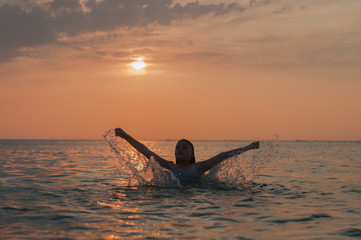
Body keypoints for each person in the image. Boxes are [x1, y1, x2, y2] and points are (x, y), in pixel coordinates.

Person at [115, 128, 260, 185]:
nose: (180, 149)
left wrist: (248, 148)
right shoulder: (170, 166)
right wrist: (124, 136)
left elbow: (223, 156)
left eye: (184, 147)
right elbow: (146, 152)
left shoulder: (199, 167)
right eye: (177, 147)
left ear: (192, 153)